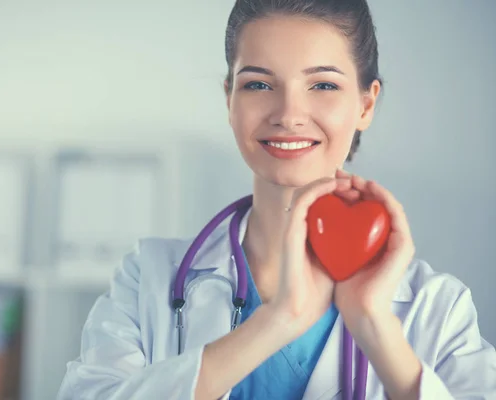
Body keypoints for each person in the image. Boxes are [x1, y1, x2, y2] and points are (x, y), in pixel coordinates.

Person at [57, 0, 496, 399]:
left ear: (366, 103)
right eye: (259, 85)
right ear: (229, 98)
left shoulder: (437, 308)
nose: (288, 114)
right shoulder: (146, 279)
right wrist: (278, 320)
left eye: (322, 85)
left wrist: (377, 329)